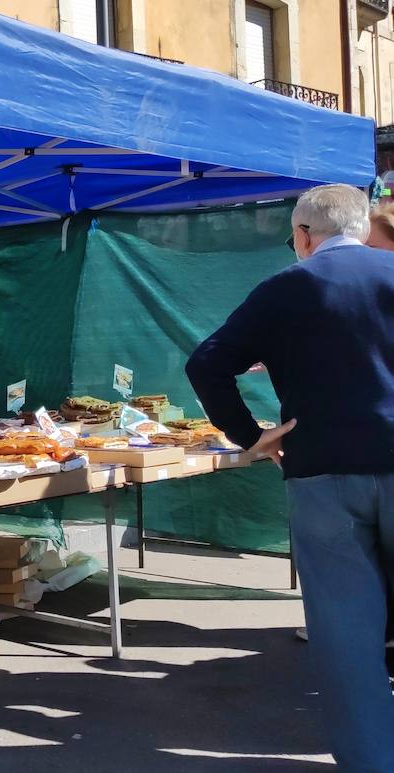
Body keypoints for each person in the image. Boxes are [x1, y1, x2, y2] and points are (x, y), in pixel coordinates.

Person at [186, 184, 394, 771]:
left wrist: (251, 436)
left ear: (304, 235)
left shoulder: (286, 287)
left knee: (348, 637)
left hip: (322, 472)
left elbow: (207, 362)